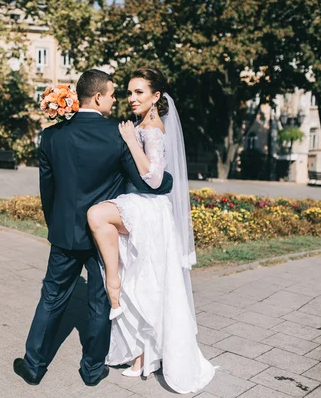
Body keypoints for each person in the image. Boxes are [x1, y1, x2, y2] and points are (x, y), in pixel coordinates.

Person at [13, 69, 173, 387]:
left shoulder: (52, 136)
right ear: (98, 97)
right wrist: (168, 181)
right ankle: (92, 370)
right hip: (104, 235)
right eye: (113, 94)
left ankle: (33, 366)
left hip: (65, 233)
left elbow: (48, 189)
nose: (117, 100)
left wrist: (54, 224)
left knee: (52, 297)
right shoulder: (118, 134)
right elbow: (145, 180)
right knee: (99, 302)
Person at [87, 68, 215, 393]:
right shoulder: (142, 124)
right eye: (129, 92)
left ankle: (110, 282)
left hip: (149, 208)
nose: (131, 98)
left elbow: (156, 179)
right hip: (138, 205)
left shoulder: (153, 128)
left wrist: (131, 142)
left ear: (156, 97)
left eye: (139, 92)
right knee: (144, 282)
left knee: (98, 215)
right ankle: (143, 355)